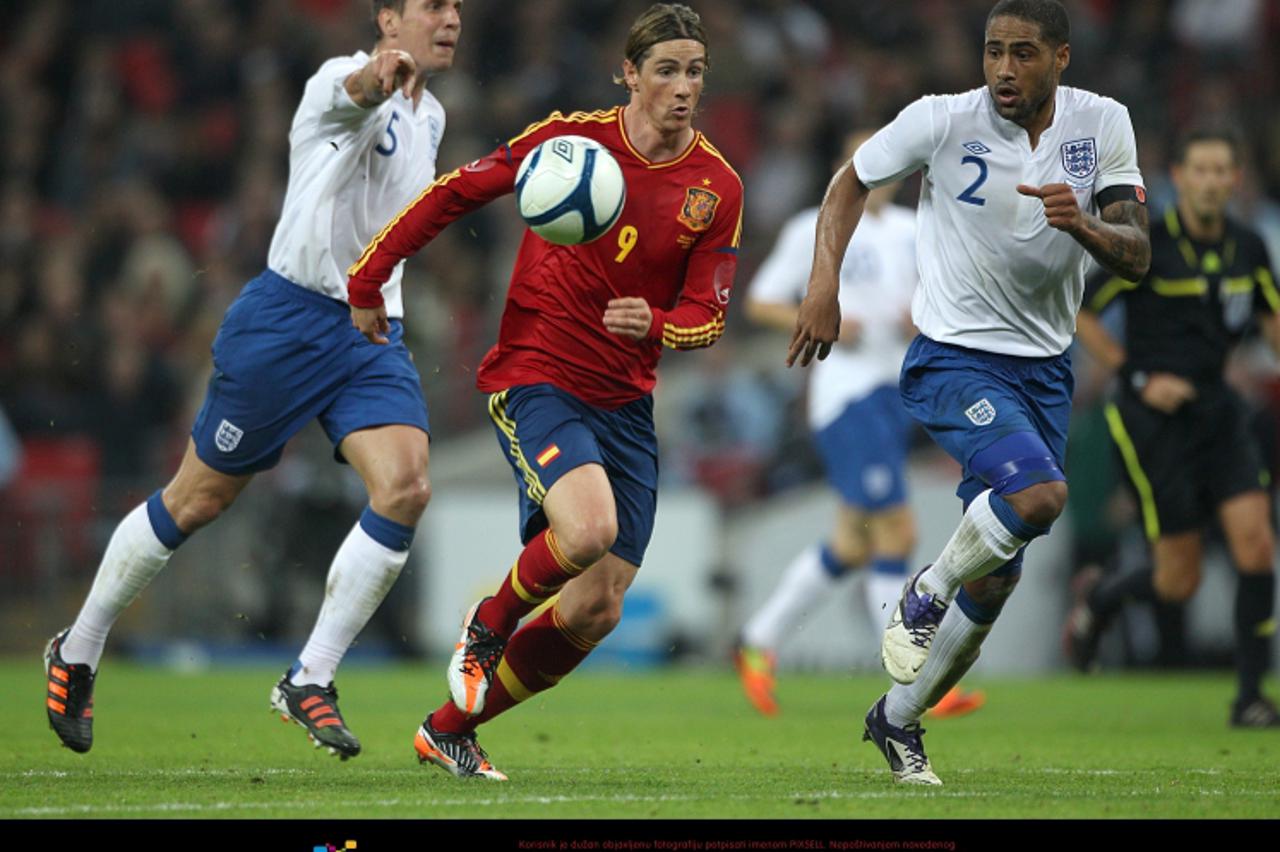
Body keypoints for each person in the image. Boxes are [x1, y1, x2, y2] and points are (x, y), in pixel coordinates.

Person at [43, 0, 464, 759]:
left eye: (458, 6)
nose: (452, 18)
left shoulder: (431, 118)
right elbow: (357, 93)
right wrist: (378, 76)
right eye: (434, 5)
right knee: (197, 499)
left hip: (370, 330)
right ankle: (78, 648)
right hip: (288, 321)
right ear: (387, 19)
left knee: (406, 487)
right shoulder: (337, 79)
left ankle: (310, 677)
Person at [347, 3, 742, 781]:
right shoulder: (568, 144)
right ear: (628, 74)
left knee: (597, 607)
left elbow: (709, 314)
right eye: (666, 70)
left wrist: (658, 323)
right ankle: (488, 626)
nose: (682, 87)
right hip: (538, 375)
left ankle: (448, 729)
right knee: (588, 530)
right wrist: (370, 276)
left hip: (625, 403)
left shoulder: (716, 186)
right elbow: (457, 192)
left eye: (695, 72)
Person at [788, 0, 1151, 785]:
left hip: (1045, 369)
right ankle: (927, 589)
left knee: (999, 577)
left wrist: (1084, 228)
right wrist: (823, 286)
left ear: (1061, 57)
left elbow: (1137, 252)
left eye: (1023, 53)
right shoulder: (941, 119)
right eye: (993, 51)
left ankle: (896, 719)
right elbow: (850, 182)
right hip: (955, 357)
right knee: (1041, 497)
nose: (1003, 70)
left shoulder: (1103, 123)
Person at [735, 131, 984, 721]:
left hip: (895, 394)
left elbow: (943, 300)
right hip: (846, 398)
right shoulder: (815, 226)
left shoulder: (912, 229)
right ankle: (914, 678)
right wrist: (820, 316)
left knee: (851, 542)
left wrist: (921, 316)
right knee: (897, 531)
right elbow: (759, 301)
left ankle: (757, 642)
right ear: (843, 168)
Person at [1062, 127, 1280, 728]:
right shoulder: (1147, 245)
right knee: (1179, 580)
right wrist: (1137, 377)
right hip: (1151, 418)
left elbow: (1271, 322)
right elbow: (1082, 314)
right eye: (1199, 170)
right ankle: (1101, 597)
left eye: (1221, 170)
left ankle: (1250, 698)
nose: (1210, 181)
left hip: (1218, 411)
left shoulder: (1249, 247)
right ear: (1179, 178)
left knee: (1257, 544)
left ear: (1235, 180)